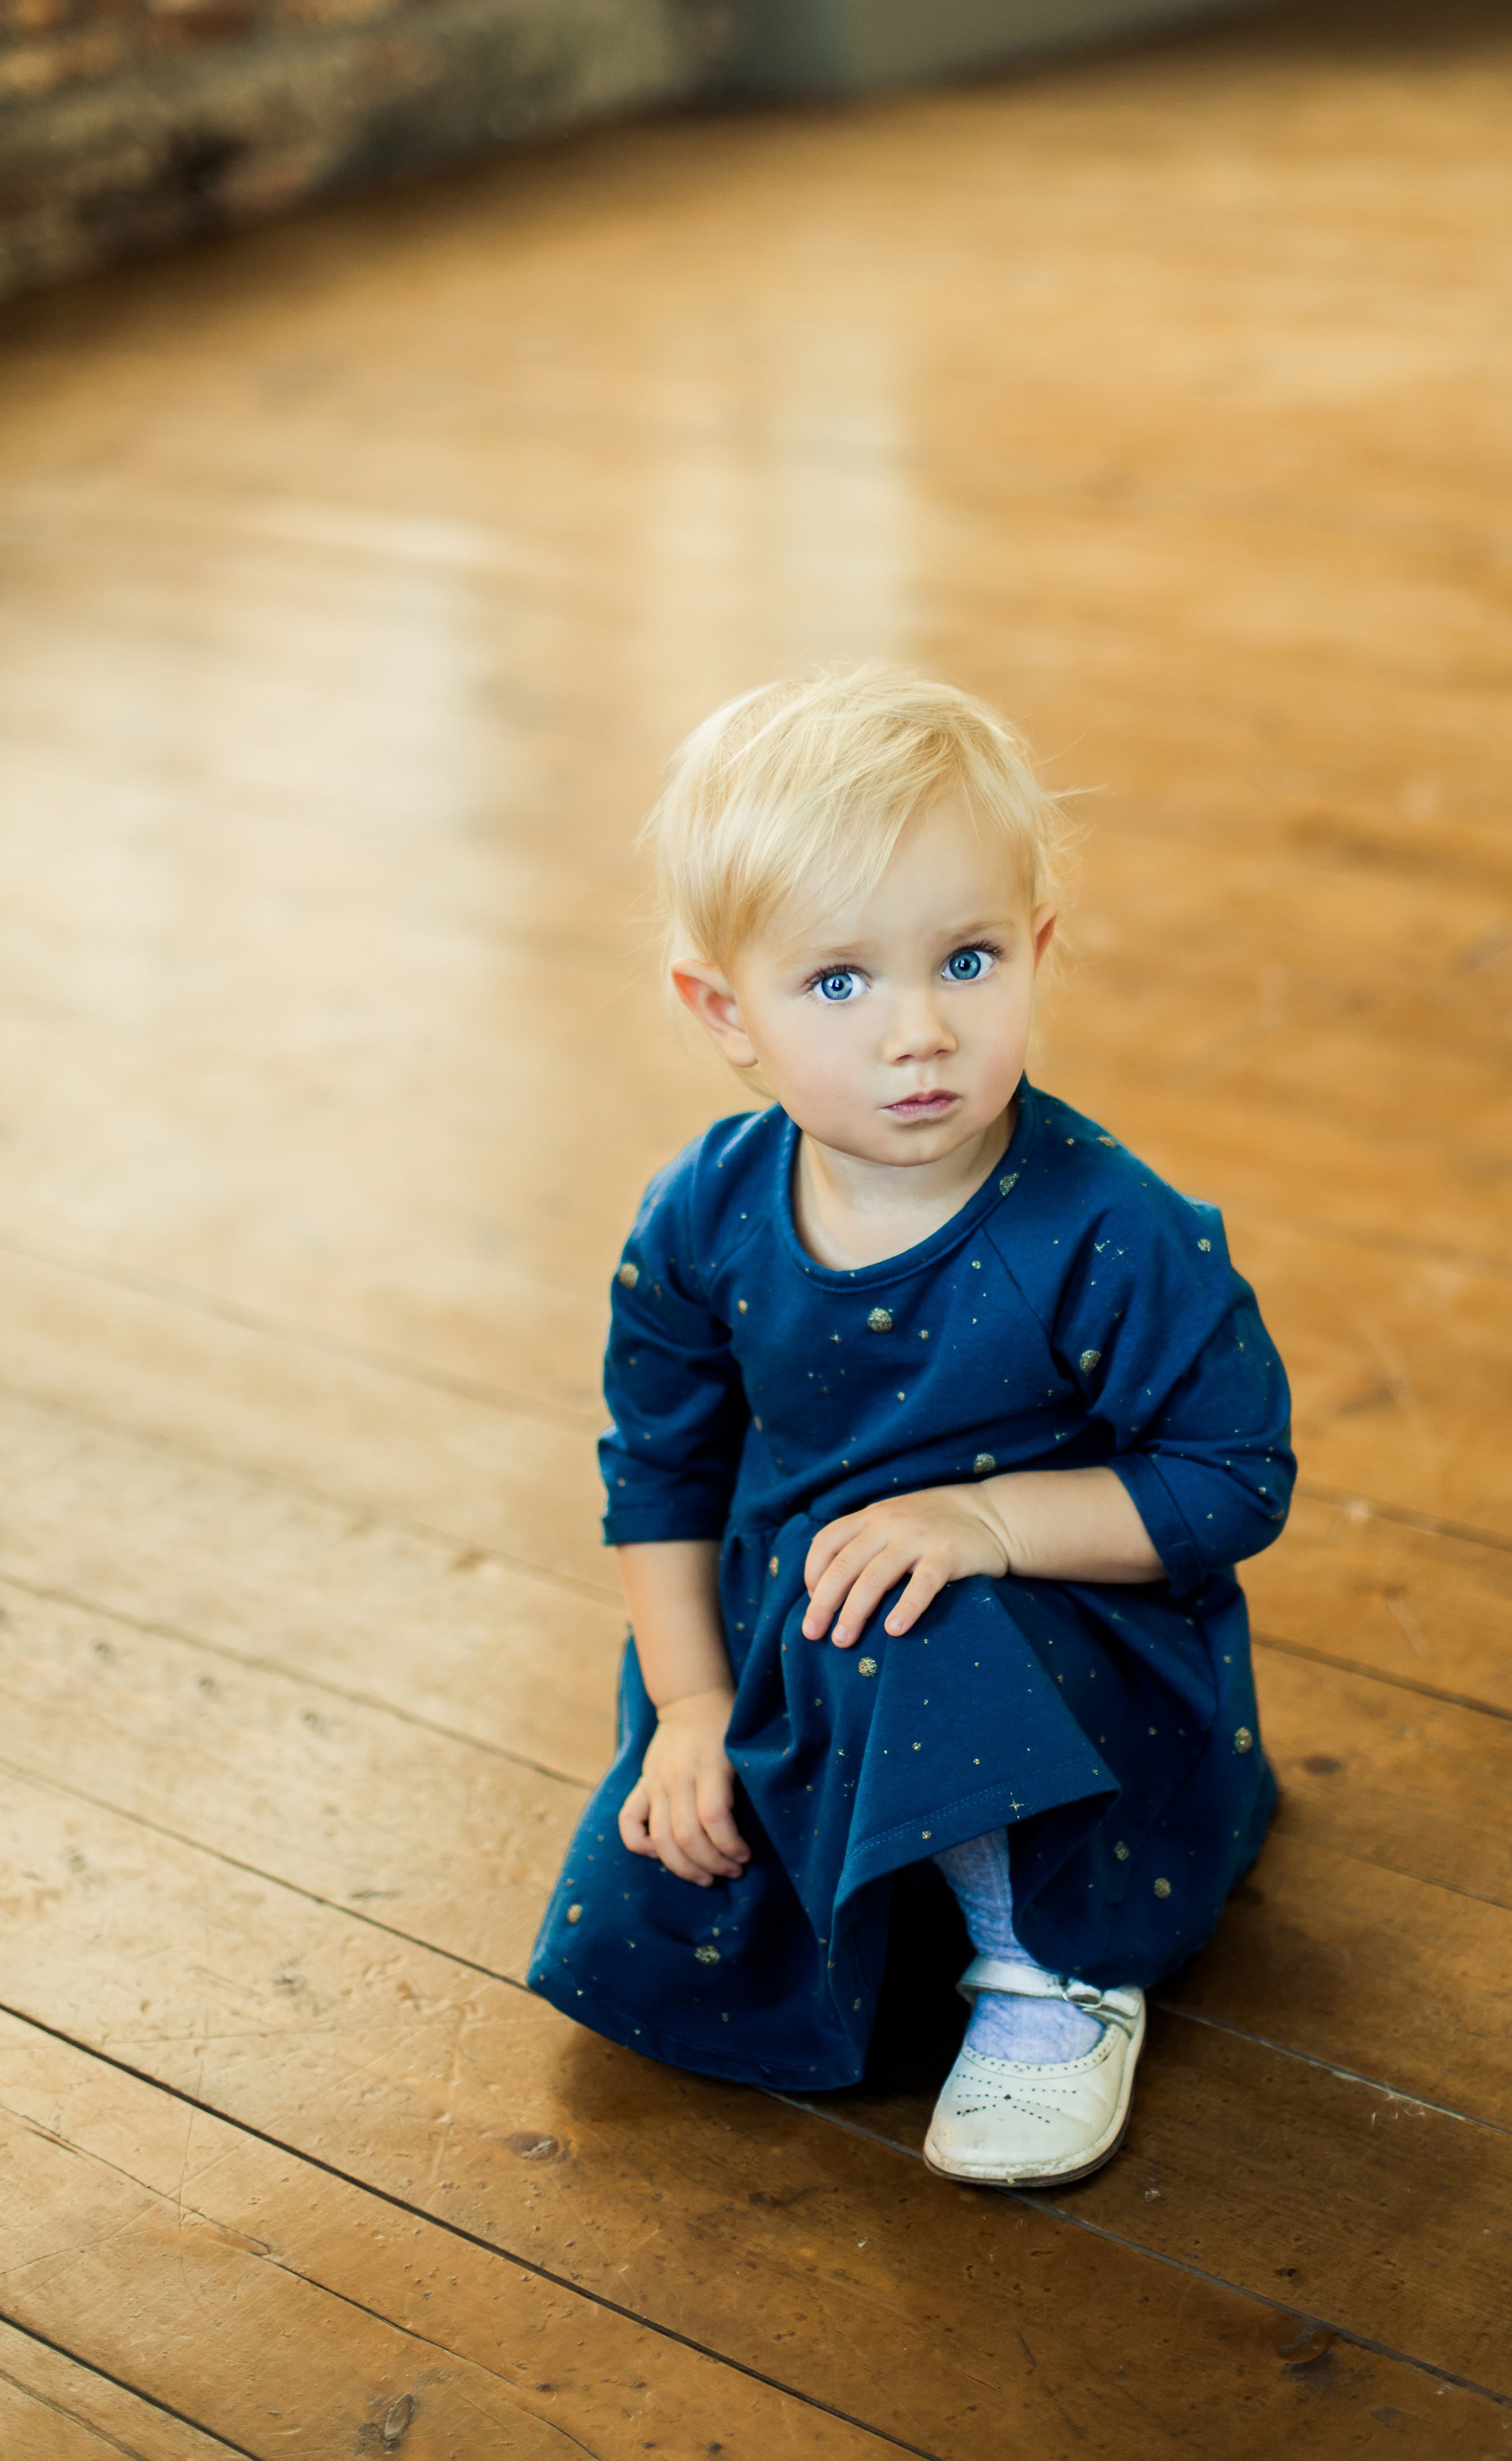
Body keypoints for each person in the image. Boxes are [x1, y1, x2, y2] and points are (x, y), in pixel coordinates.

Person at [528, 669, 1294, 2188]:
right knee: (669, 1908)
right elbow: (660, 1473)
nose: (920, 1033)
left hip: (1062, 1627)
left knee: (912, 1610)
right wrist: (688, 1707)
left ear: (1037, 952)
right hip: (797, 1615)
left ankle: (1049, 1962)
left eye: (967, 959)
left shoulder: (1114, 1230)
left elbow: (1233, 1480)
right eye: (838, 983)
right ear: (723, 1012)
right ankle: (891, 1860)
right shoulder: (705, 1215)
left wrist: (987, 1522)